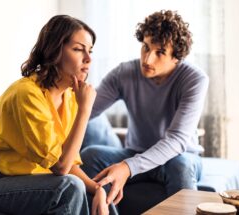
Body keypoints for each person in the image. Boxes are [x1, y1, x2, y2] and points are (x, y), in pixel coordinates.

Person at [0, 15, 110, 215]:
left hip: (23, 179)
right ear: (55, 51)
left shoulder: (70, 97)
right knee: (69, 188)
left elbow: (69, 161)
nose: (88, 59)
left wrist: (98, 189)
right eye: (78, 49)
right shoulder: (27, 94)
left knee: (98, 194)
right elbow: (61, 168)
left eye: (89, 51)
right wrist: (85, 109)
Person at [81, 10, 209, 212]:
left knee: (180, 165)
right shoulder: (124, 73)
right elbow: (87, 112)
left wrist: (128, 167)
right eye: (145, 48)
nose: (148, 60)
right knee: (91, 155)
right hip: (135, 152)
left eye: (160, 52)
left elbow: (176, 140)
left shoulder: (194, 79)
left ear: (177, 57)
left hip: (178, 156)